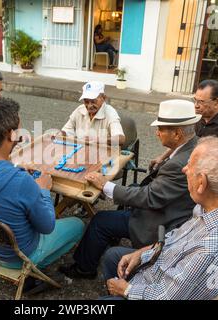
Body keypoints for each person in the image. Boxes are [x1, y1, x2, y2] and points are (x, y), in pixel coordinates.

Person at [101, 137, 218, 300]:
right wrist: (142, 253)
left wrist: (126, 290)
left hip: (160, 287)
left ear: (201, 183)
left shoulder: (210, 250)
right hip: (168, 265)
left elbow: (167, 296)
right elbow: (178, 238)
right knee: (112, 256)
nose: (184, 169)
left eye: (190, 166)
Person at [58, 99, 198, 279]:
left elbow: (149, 198)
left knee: (100, 220)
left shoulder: (178, 164)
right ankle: (109, 239)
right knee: (130, 190)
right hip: (173, 209)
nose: (157, 133)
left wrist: (105, 185)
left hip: (161, 221)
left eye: (161, 129)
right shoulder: (194, 145)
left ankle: (84, 268)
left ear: (178, 134)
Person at [0, 97, 84, 276]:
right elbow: (47, 226)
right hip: (19, 257)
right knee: (79, 224)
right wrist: (42, 189)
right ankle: (35, 271)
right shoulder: (21, 182)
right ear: (11, 134)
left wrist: (12, 169)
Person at [61, 81, 125, 146]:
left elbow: (120, 139)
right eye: (86, 102)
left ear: (103, 98)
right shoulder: (79, 110)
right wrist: (60, 133)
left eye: (93, 101)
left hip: (102, 153)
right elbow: (67, 130)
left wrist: (100, 140)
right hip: (80, 150)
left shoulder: (110, 113)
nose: (89, 106)